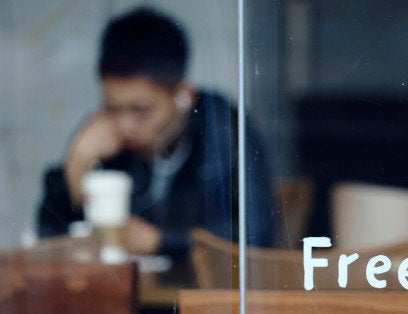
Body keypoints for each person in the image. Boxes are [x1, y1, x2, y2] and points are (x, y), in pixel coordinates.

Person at [36, 7, 274, 260]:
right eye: (112, 108)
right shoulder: (103, 135)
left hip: (194, 295)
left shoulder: (223, 129)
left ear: (183, 95)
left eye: (141, 111)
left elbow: (254, 235)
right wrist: (77, 164)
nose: (126, 125)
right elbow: (50, 240)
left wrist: (160, 241)